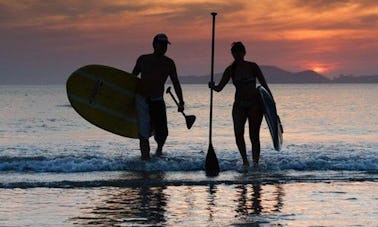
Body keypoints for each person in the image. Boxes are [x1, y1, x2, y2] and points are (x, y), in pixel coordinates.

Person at [209, 41, 272, 168]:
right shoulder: (230, 70)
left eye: (240, 51)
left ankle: (255, 163)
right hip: (239, 105)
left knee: (254, 135)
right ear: (232, 54)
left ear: (244, 52)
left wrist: (272, 104)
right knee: (238, 134)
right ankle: (245, 161)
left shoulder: (253, 66)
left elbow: (264, 85)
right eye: (235, 52)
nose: (237, 54)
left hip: (255, 105)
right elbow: (220, 88)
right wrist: (212, 86)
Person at [132, 33, 185, 160]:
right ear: (154, 45)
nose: (164, 47)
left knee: (163, 133)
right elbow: (132, 77)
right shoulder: (143, 59)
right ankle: (145, 162)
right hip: (142, 100)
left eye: (165, 45)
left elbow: (176, 82)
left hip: (158, 100)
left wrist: (181, 101)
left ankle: (159, 151)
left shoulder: (169, 63)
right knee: (144, 134)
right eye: (161, 45)